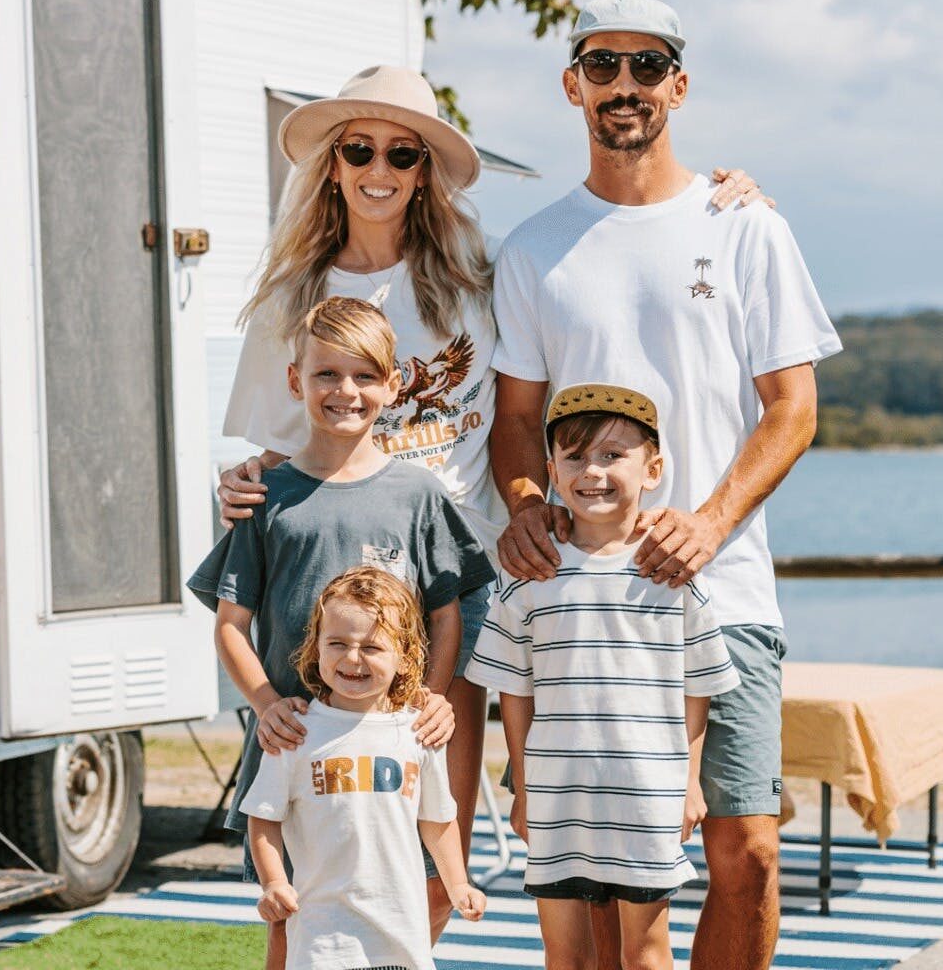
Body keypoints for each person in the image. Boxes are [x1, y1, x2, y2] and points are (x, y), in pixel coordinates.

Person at [214, 64, 768, 931]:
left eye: (403, 151)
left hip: (449, 589)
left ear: (427, 169)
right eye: (358, 147)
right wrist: (241, 485)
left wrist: (722, 198)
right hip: (324, 599)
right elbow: (271, 451)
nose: (380, 167)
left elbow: (588, 297)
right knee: (312, 846)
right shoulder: (292, 296)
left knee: (438, 843)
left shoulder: (478, 275)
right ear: (331, 163)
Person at [489, 0, 843, 970]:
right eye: (602, 65)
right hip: (588, 606)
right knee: (604, 885)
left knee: (748, 852)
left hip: (721, 593)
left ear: (678, 87)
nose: (624, 85)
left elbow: (793, 407)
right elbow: (516, 421)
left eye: (647, 66)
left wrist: (711, 521)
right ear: (572, 85)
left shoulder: (745, 227)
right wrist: (525, 508)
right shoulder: (533, 249)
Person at [187, 296, 496, 970]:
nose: (345, 392)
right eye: (326, 375)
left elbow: (448, 612)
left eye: (363, 376)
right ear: (296, 381)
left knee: (402, 905)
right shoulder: (267, 497)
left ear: (393, 385)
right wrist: (268, 705)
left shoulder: (418, 495)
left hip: (389, 749)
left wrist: (432, 696)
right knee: (289, 917)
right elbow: (231, 627)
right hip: (297, 746)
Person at [466, 385, 740, 970]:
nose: (592, 471)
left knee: (645, 953)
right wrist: (525, 786)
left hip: (646, 797)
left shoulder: (670, 575)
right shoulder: (529, 576)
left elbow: (698, 689)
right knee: (566, 956)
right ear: (552, 471)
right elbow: (514, 693)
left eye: (613, 455)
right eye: (574, 457)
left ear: (653, 469)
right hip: (558, 796)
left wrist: (689, 784)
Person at [244, 565, 487, 970]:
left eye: (372, 647)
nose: (352, 658)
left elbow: (437, 820)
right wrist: (273, 882)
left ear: (406, 658)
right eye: (337, 643)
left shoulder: (418, 732)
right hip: (323, 937)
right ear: (316, 648)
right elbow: (264, 817)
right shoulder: (295, 732)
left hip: (401, 933)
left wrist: (458, 883)